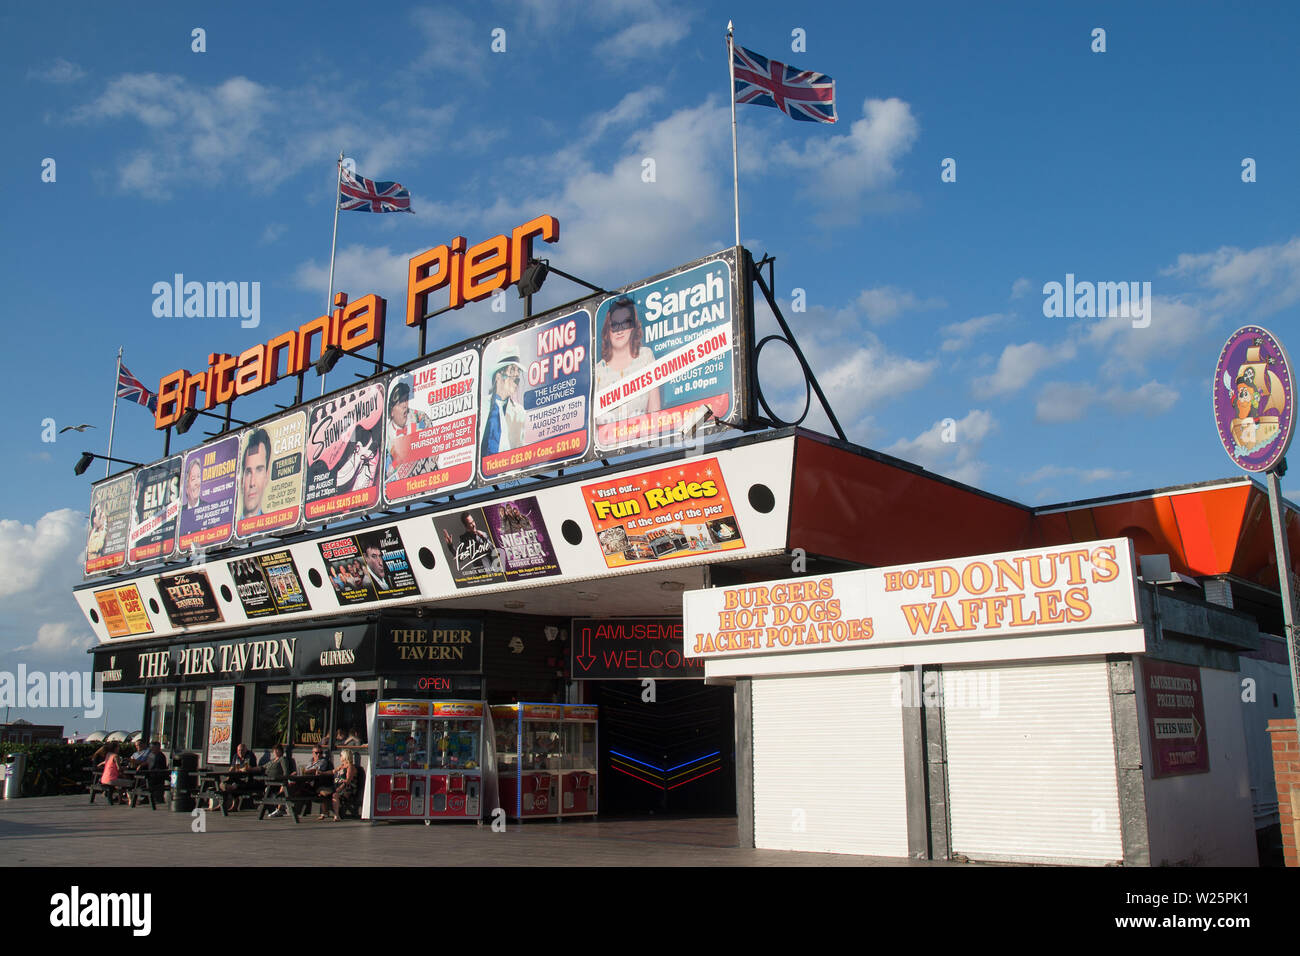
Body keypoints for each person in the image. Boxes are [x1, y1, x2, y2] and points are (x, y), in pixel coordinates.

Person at [594, 297, 660, 433]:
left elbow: (655, 412)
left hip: (641, 444)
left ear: (633, 327)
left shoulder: (646, 357)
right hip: (607, 448)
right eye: (614, 325)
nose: (619, 330)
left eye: (625, 323)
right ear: (607, 329)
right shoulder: (598, 371)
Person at [480, 353, 526, 458]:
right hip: (479, 471)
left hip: (504, 470)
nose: (516, 376)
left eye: (518, 372)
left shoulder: (520, 413)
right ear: (498, 377)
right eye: (512, 370)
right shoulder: (480, 407)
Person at [386, 381, 432, 475]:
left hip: (428, 472)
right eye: (400, 402)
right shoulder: (387, 432)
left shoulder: (415, 415)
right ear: (392, 411)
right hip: (407, 481)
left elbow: (427, 423)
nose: (405, 405)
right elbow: (389, 465)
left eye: (406, 400)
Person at [240, 427, 272, 519]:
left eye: (259, 470)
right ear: (242, 480)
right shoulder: (221, 528)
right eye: (248, 472)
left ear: (267, 475)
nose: (252, 483)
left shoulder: (277, 530)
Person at [321, 750, 359, 822]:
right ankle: (324, 813)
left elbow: (348, 780)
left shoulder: (350, 767)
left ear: (345, 756)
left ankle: (336, 815)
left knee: (335, 795)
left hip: (347, 789)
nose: (340, 757)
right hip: (336, 786)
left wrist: (340, 788)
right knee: (322, 792)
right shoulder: (341, 766)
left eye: (341, 755)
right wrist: (322, 773)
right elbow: (332, 771)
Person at [222, 743, 259, 812]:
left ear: (246, 750)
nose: (240, 752)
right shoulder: (236, 756)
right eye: (239, 750)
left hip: (246, 779)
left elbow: (246, 768)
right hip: (236, 778)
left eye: (242, 750)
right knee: (223, 784)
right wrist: (229, 773)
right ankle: (229, 789)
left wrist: (238, 769)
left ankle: (231, 803)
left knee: (233, 786)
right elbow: (232, 768)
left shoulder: (249, 755)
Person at [263, 744, 293, 817]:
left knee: (270, 791)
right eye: (274, 750)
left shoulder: (282, 759)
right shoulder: (272, 761)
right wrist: (252, 768)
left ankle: (279, 809)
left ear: (281, 751)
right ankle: (274, 809)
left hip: (278, 782)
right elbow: (262, 767)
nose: (275, 751)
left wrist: (283, 779)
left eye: (277, 750)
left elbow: (285, 772)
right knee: (266, 790)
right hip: (269, 781)